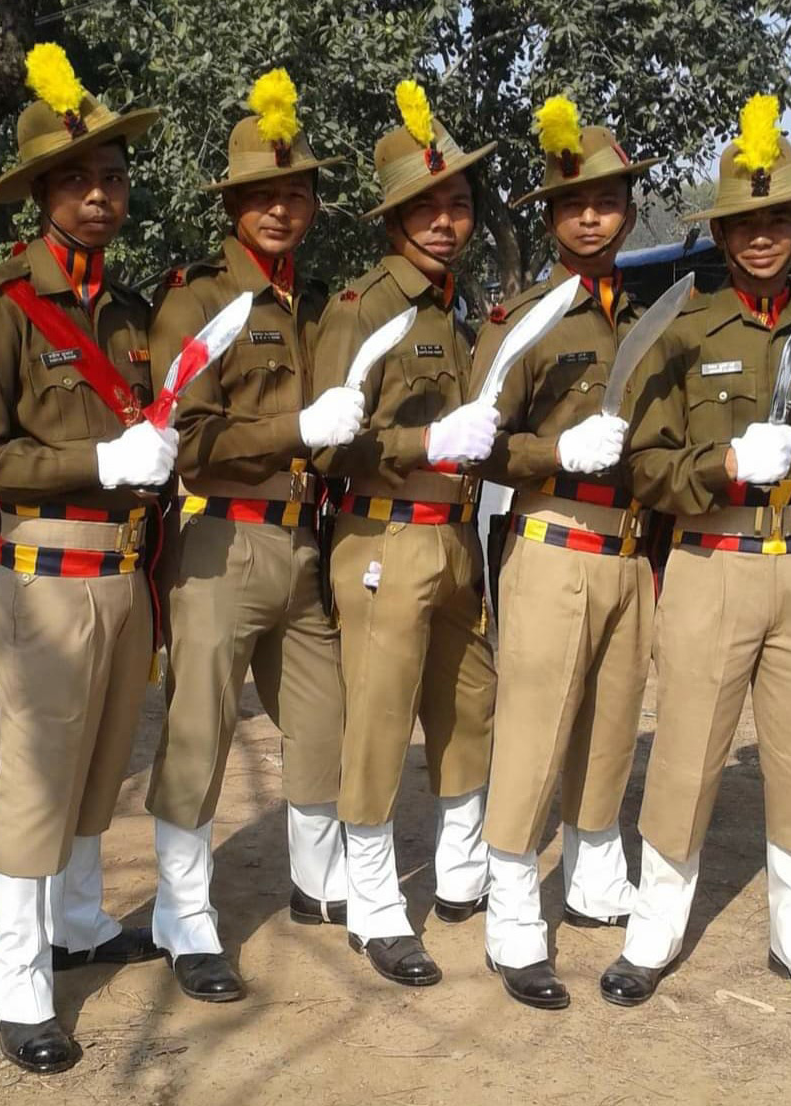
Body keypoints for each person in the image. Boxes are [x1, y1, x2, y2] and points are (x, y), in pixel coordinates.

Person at [599, 95, 791, 1018]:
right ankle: (653, 933)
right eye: (744, 222)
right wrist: (721, 465)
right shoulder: (685, 328)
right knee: (685, 755)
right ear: (722, 232)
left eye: (778, 218)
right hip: (710, 563)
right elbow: (644, 467)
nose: (762, 237)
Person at [0, 44, 172, 1073]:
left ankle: (77, 921)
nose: (97, 195)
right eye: (76, 180)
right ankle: (19, 974)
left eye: (112, 177)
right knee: (36, 777)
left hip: (123, 574)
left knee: (98, 761)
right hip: (43, 574)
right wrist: (100, 457)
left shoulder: (126, 316)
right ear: (40, 193)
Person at [145, 70, 361, 1003]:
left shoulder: (315, 308)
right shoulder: (196, 305)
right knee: (198, 731)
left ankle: (317, 883)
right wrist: (294, 433)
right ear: (233, 207)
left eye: (295, 194)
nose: (280, 210)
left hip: (302, 544)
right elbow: (189, 443)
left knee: (323, 722)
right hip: (221, 544)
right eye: (261, 197)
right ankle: (184, 917)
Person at [471, 98, 662, 1009]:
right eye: (574, 202)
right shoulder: (523, 316)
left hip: (631, 554)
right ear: (551, 215)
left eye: (609, 199)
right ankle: (512, 903)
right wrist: (554, 454)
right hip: (551, 538)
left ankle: (591, 876)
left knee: (612, 722)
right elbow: (477, 442)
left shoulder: (653, 319)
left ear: (627, 207)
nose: (592, 215)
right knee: (538, 727)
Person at [311, 80, 499, 987]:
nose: (443, 222)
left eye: (457, 204)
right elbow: (329, 447)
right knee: (380, 723)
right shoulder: (361, 307)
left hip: (455, 542)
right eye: (425, 208)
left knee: (469, 709)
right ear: (393, 219)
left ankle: (460, 873)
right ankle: (377, 903)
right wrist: (425, 440)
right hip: (383, 539)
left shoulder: (454, 306)